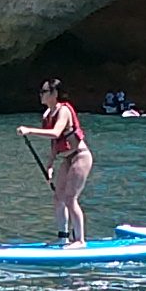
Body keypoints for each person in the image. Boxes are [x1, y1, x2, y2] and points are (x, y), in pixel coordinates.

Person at [23, 78, 93, 244]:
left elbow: (56, 132)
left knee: (70, 198)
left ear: (54, 94)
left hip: (81, 156)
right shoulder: (48, 114)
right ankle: (63, 238)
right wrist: (50, 164)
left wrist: (29, 131)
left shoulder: (64, 111)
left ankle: (80, 241)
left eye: (44, 92)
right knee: (58, 197)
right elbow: (55, 142)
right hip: (67, 158)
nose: (40, 95)